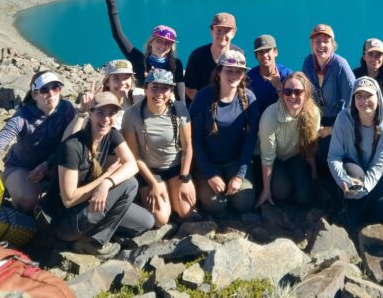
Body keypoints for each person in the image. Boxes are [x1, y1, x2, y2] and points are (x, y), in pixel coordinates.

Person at [0, 71, 78, 213]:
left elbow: (70, 141)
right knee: (29, 202)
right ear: (34, 95)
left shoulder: (66, 109)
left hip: (52, 164)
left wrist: (48, 164)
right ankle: (8, 181)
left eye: (56, 87)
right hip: (22, 166)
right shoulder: (21, 117)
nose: (51, 93)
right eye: (44, 90)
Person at [54, 92, 155, 256]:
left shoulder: (112, 134)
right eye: (100, 112)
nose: (106, 119)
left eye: (111, 113)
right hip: (67, 220)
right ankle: (92, 242)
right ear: (91, 114)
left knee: (145, 222)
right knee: (130, 184)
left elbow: (132, 165)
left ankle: (99, 231)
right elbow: (69, 199)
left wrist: (107, 183)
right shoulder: (72, 147)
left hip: (90, 204)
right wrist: (103, 179)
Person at [122, 69, 197, 226]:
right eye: (154, 87)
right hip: (150, 171)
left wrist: (184, 178)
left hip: (175, 168)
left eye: (165, 88)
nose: (159, 93)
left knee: (185, 211)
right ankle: (156, 194)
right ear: (146, 89)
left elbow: (187, 147)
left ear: (171, 90)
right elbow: (134, 155)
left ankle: (171, 194)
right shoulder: (132, 115)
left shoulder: (179, 109)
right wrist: (154, 184)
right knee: (160, 219)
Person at [188, 49, 260, 214]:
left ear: (243, 75)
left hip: (234, 160)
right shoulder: (203, 98)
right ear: (219, 71)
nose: (233, 75)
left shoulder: (249, 99)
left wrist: (239, 175)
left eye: (238, 71)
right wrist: (209, 174)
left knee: (244, 203)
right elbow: (195, 140)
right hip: (208, 161)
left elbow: (250, 140)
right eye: (229, 70)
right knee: (216, 205)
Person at [328, 76, 383, 227]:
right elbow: (334, 155)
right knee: (353, 217)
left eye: (369, 95)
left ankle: (362, 201)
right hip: (352, 169)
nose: (364, 100)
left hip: (376, 174)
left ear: (378, 98)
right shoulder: (343, 119)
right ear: (353, 99)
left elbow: (379, 164)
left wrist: (365, 188)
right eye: (359, 96)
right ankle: (349, 205)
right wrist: (342, 179)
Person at [94, 0, 185, 89]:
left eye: (168, 43)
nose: (163, 45)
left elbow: (180, 92)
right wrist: (110, 1)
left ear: (171, 47)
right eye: (159, 40)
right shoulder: (138, 60)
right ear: (151, 43)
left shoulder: (176, 65)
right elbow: (118, 36)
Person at [256, 73, 321, 207]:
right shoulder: (270, 116)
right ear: (283, 93)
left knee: (304, 197)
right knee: (281, 192)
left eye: (298, 92)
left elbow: (310, 144)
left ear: (306, 94)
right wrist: (266, 191)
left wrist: (314, 171)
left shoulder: (313, 112)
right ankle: (265, 183)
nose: (292, 96)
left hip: (293, 156)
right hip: (274, 159)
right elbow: (267, 156)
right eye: (288, 91)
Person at [300, 24, 355, 169]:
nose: (321, 45)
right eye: (317, 41)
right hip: (315, 118)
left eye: (326, 41)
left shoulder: (341, 65)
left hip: (338, 120)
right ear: (312, 45)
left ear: (333, 45)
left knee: (325, 152)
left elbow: (354, 104)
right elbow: (305, 94)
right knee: (304, 150)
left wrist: (331, 129)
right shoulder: (308, 62)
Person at [68, 60, 142, 135]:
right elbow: (71, 138)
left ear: (131, 80)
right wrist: (84, 111)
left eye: (126, 77)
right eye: (116, 78)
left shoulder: (137, 97)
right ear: (107, 82)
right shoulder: (97, 106)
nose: (122, 82)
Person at [184, 12, 238, 101]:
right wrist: (209, 106)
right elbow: (190, 90)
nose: (222, 35)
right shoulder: (197, 56)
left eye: (226, 31)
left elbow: (239, 85)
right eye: (218, 30)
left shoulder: (238, 55)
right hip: (200, 105)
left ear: (233, 33)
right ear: (212, 31)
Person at [248, 35, 292, 113]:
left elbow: (293, 105)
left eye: (267, 50)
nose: (264, 55)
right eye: (260, 52)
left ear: (275, 52)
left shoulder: (287, 75)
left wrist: (278, 86)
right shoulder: (249, 77)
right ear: (256, 56)